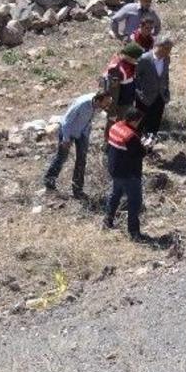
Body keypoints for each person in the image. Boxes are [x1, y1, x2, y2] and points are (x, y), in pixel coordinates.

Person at [43, 91, 113, 198]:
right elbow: (67, 121)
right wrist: (66, 140)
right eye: (106, 103)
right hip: (69, 131)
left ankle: (77, 189)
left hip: (82, 133)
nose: (108, 105)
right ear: (98, 100)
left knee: (81, 160)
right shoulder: (82, 104)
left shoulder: (99, 105)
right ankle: (49, 182)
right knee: (62, 157)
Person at [105, 108, 151, 242]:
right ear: (135, 120)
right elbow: (139, 154)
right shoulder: (130, 136)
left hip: (114, 170)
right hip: (129, 174)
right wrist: (146, 147)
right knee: (135, 202)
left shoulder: (115, 126)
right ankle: (134, 232)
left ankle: (107, 221)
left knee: (115, 195)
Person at [101, 43, 143, 142]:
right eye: (136, 58)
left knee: (122, 123)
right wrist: (112, 112)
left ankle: (118, 140)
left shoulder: (129, 65)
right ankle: (109, 143)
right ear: (129, 56)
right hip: (119, 104)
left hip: (127, 101)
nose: (137, 61)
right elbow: (112, 94)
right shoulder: (117, 70)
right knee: (113, 123)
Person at [134, 36, 172, 137]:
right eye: (166, 48)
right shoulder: (144, 59)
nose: (168, 51)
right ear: (158, 46)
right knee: (140, 123)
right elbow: (135, 77)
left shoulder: (167, 59)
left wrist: (166, 91)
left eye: (170, 49)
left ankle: (151, 143)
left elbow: (165, 75)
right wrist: (139, 93)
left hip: (160, 96)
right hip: (144, 98)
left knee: (155, 122)